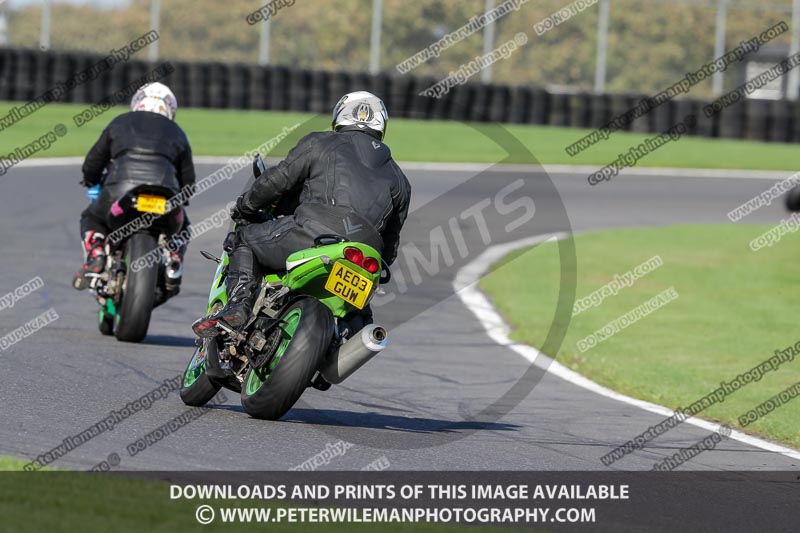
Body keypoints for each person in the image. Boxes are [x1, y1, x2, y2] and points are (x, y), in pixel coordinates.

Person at [192, 91, 411, 337]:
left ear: (340, 116)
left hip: (312, 233)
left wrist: (246, 206)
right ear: (381, 124)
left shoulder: (320, 142)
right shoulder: (401, 180)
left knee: (243, 238)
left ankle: (238, 306)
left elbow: (278, 180)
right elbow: (390, 247)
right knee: (360, 317)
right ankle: (345, 340)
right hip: (364, 257)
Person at [73, 82, 195, 294]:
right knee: (183, 226)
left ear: (138, 103)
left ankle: (96, 254)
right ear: (170, 109)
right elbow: (189, 184)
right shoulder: (177, 132)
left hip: (119, 193)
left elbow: (92, 163)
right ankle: (174, 262)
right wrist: (182, 199)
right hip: (165, 200)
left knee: (91, 218)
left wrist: (91, 181)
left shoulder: (119, 122)